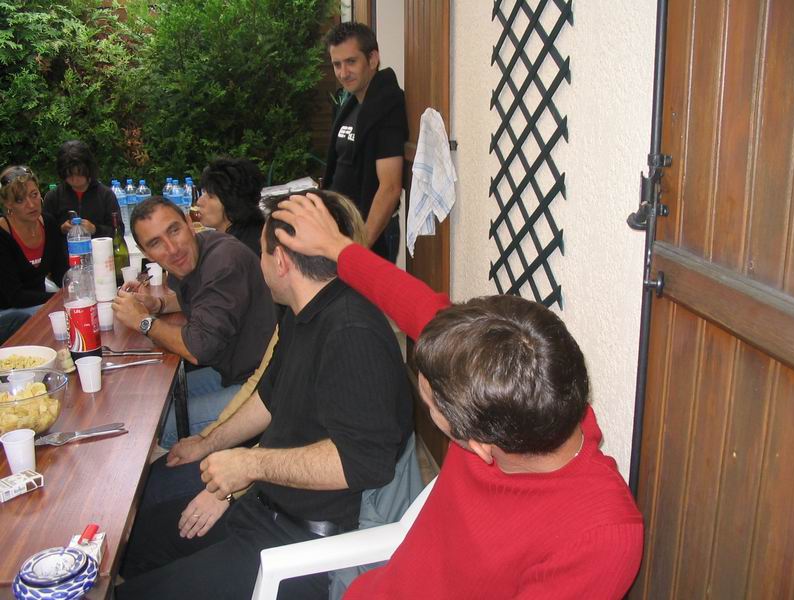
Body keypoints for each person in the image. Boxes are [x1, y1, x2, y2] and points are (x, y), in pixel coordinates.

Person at [271, 193, 645, 600]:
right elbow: (413, 302)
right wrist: (334, 245)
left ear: (480, 447)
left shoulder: (600, 536)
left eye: (431, 406)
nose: (426, 402)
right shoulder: (504, 388)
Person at [116, 189, 412, 600]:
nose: (258, 262)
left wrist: (249, 465)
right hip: (263, 508)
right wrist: (209, 443)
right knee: (131, 544)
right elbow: (267, 399)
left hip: (301, 548)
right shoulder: (300, 314)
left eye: (261, 252)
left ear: (282, 261)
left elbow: (362, 462)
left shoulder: (351, 332)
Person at [111, 196, 275, 448]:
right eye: (156, 243)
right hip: (232, 370)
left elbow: (198, 349)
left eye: (174, 230)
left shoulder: (224, 261)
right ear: (145, 253)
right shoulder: (199, 251)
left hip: (264, 385)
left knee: (154, 427)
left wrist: (143, 321)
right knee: (148, 400)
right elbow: (205, 297)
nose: (172, 249)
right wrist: (158, 305)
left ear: (189, 223)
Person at [322, 22, 407, 263]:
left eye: (351, 62)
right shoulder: (352, 104)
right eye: (337, 64)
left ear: (373, 59)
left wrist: (359, 249)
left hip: (369, 237)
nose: (343, 73)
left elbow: (390, 188)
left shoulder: (387, 107)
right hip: (343, 232)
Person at [0, 165, 68, 313]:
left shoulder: (49, 223)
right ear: (8, 204)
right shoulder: (3, 235)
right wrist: (59, 297)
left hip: (39, 303)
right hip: (8, 311)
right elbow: (14, 296)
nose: (31, 205)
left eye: (34, 194)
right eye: (20, 200)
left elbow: (60, 273)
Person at [43, 140, 122, 239]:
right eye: (69, 175)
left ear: (89, 169)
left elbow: (119, 232)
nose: (75, 179)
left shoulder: (106, 195)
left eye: (79, 174)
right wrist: (61, 229)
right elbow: (44, 234)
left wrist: (95, 229)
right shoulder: (53, 197)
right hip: (66, 249)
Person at [196, 157, 266, 256]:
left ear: (232, 202)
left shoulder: (236, 252)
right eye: (204, 193)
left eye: (210, 196)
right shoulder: (253, 231)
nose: (199, 202)